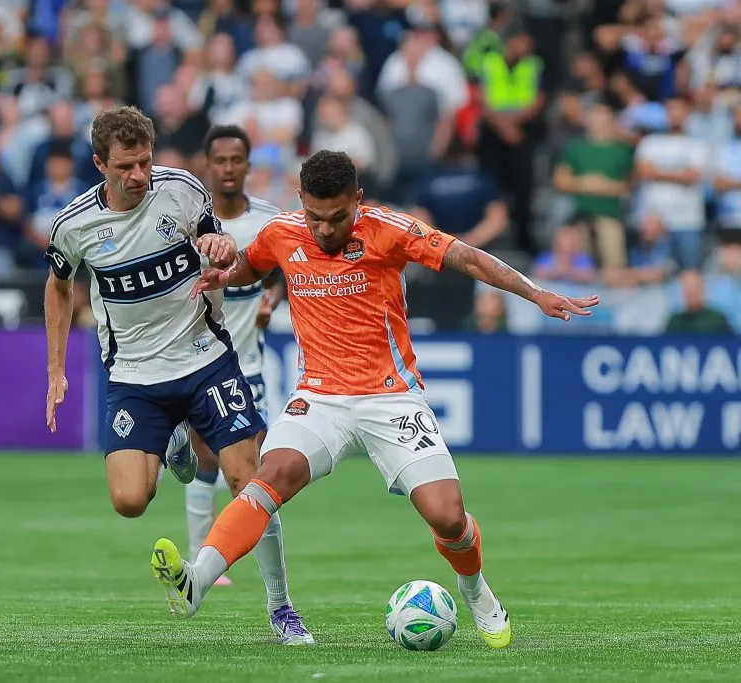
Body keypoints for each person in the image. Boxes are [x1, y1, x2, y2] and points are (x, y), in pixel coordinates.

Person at [150, 150, 600, 648]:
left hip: (392, 399)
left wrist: (535, 293)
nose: (324, 230)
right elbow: (252, 265)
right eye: (315, 217)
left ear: (357, 201)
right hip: (319, 397)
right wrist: (224, 277)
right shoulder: (283, 232)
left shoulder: (389, 229)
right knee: (267, 477)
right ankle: (197, 581)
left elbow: (466, 256)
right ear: (301, 201)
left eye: (337, 217)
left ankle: (475, 591)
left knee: (448, 516)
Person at [43, 107, 314, 644]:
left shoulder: (183, 190)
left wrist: (220, 246)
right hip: (133, 375)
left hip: (205, 360)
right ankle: (177, 446)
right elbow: (57, 285)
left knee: (250, 482)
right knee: (129, 501)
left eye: (145, 161)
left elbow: (221, 245)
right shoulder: (74, 224)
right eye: (126, 166)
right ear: (100, 164)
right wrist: (56, 368)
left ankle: (282, 609)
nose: (139, 175)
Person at [185, 125, 285, 589]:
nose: (228, 168)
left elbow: (288, 269)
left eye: (236, 160)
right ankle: (199, 555)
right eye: (220, 160)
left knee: (247, 471)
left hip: (251, 362)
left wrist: (273, 298)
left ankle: (212, 556)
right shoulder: (188, 220)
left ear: (248, 165)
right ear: (208, 165)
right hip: (200, 360)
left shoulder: (268, 220)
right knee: (209, 459)